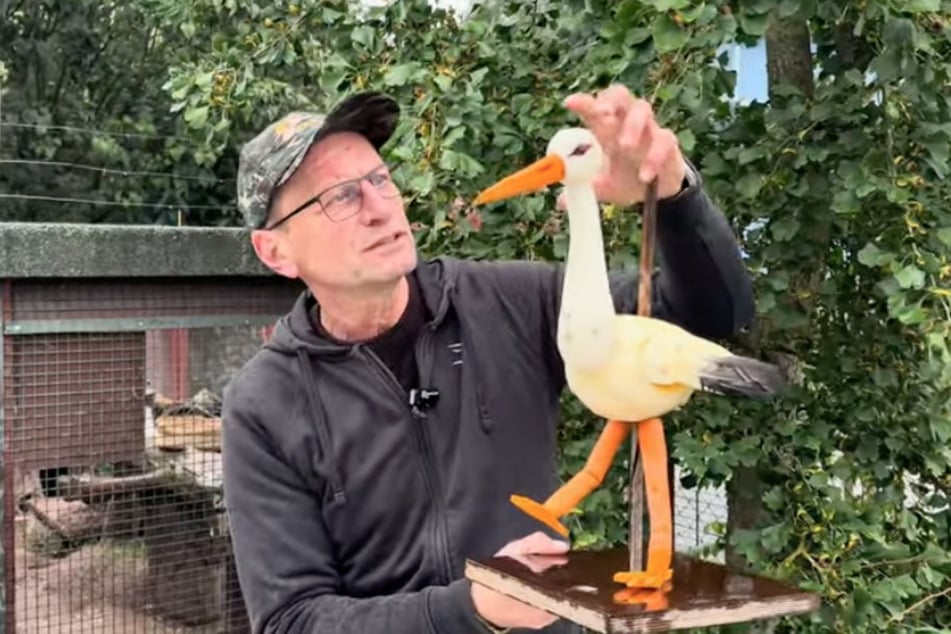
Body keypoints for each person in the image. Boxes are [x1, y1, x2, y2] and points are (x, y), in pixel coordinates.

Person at [222, 85, 755, 633]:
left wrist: (670, 197)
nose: (381, 209)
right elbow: (292, 621)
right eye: (340, 197)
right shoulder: (264, 405)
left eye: (379, 179)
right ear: (275, 251)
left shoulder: (514, 304)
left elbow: (712, 315)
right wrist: (471, 610)